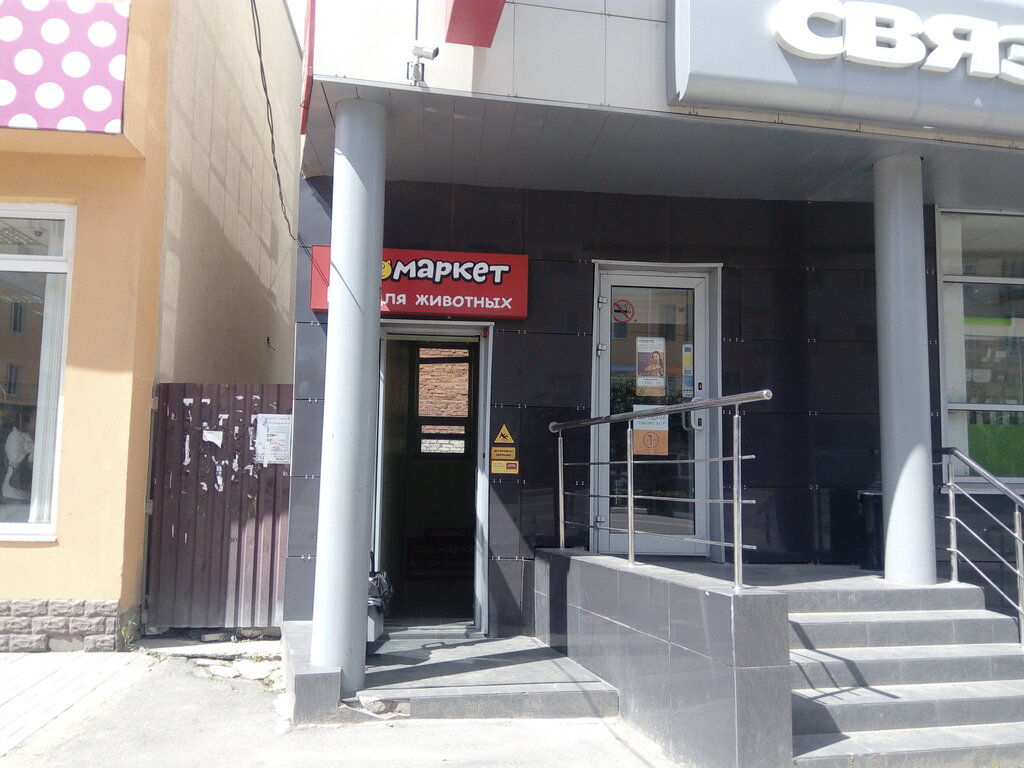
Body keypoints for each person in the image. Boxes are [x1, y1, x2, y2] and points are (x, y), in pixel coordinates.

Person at [3, 415, 33, 502]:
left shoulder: (36, 437)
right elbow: (15, 459)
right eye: (34, 419)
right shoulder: (15, 435)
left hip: (30, 491)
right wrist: (36, 455)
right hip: (15, 493)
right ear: (26, 422)